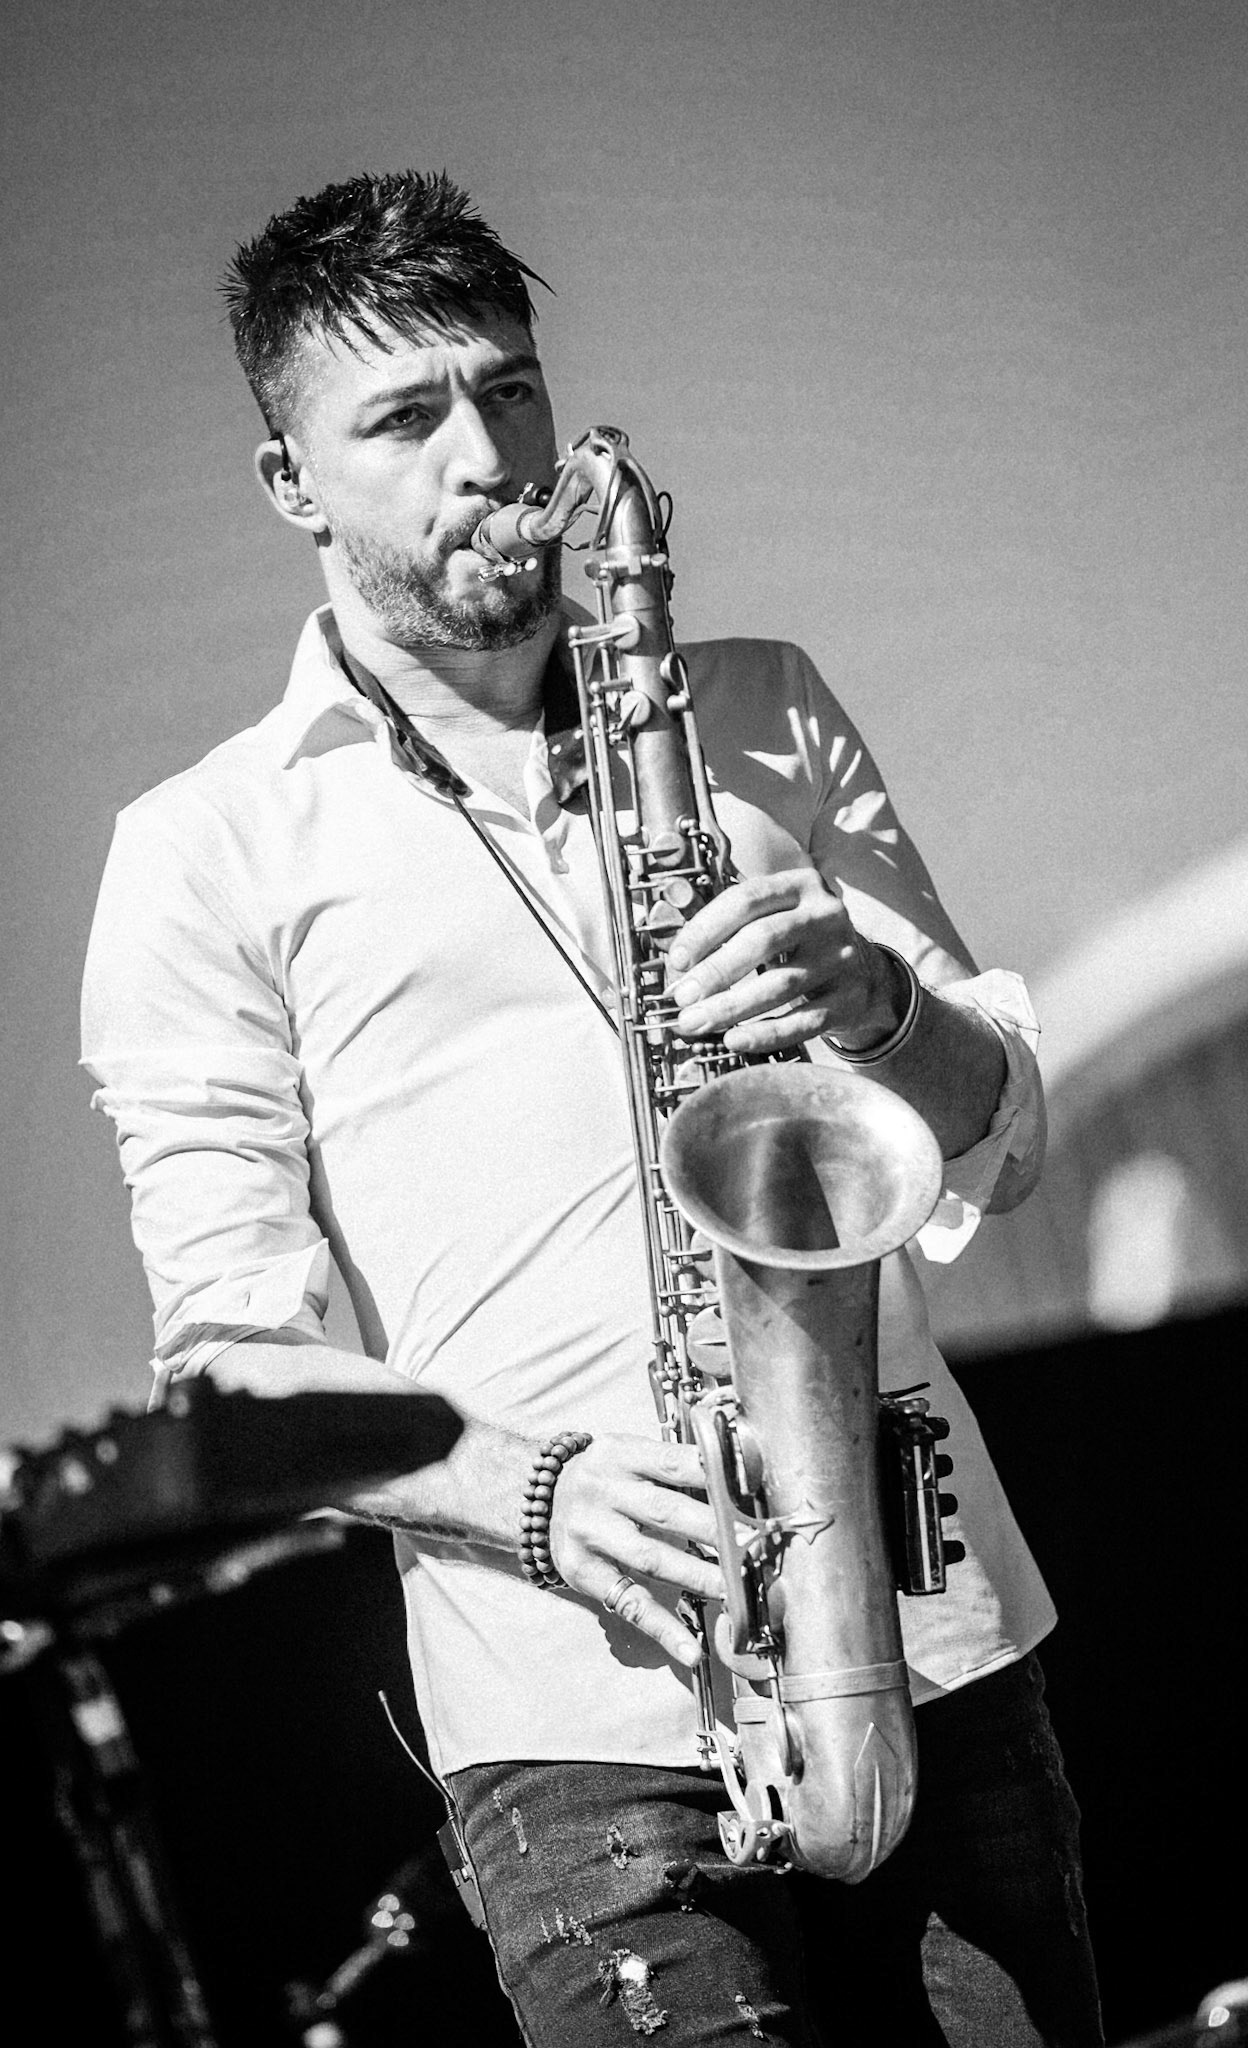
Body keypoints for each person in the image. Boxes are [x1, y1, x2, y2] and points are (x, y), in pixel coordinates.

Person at [81, 171, 1103, 2047]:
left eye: (510, 390)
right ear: (290, 485)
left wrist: (881, 1008)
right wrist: (538, 1497)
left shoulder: (760, 708)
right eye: (404, 419)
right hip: (583, 1744)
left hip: (934, 1640)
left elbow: (1001, 1134)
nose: (488, 456)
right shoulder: (205, 852)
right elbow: (228, 1371)